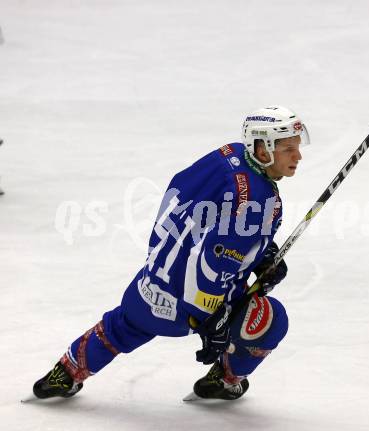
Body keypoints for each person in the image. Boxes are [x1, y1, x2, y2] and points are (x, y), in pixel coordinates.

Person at [33, 106, 310, 401]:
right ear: (262, 149)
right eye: (288, 149)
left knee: (122, 326)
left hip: (149, 290)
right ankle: (226, 379)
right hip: (192, 309)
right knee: (272, 319)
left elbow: (201, 215)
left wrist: (260, 251)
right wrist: (211, 319)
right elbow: (214, 263)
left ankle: (68, 370)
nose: (298, 156)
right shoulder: (259, 199)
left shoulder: (226, 156)